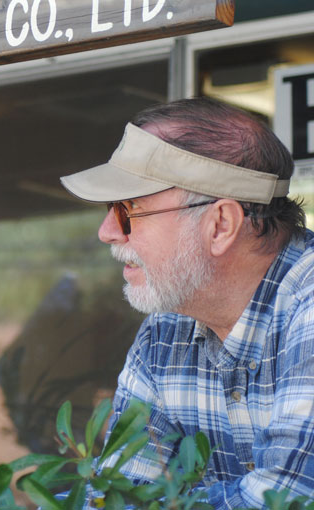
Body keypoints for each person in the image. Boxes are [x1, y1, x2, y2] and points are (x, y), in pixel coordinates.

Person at [59, 97, 314, 508]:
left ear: (221, 225)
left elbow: (289, 499)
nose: (108, 232)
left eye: (129, 210)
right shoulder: (166, 330)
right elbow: (116, 496)